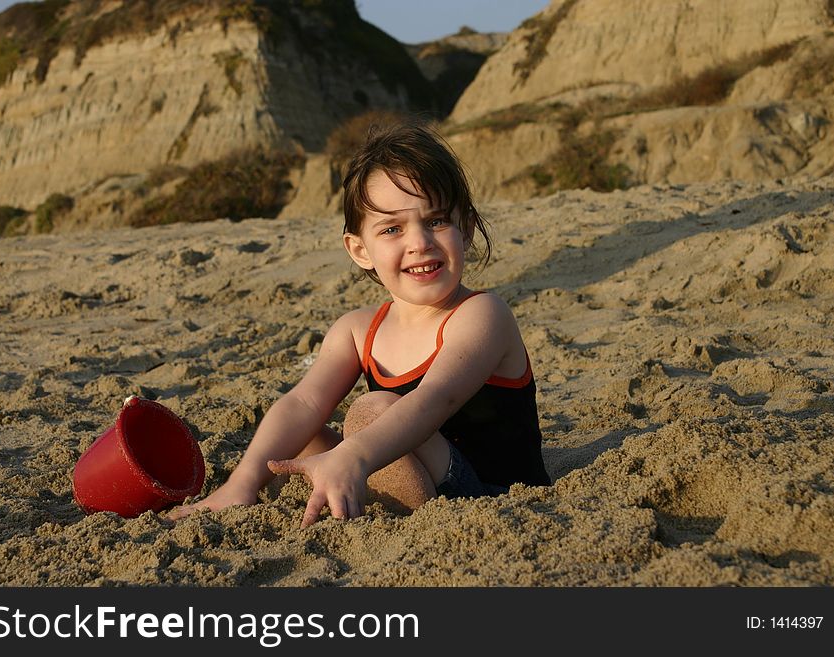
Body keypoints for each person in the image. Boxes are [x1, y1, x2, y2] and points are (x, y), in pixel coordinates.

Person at [170, 121, 551, 527]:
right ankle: (324, 492)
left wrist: (353, 454)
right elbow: (303, 403)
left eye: (437, 220)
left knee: (371, 410)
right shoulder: (357, 330)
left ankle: (396, 511)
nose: (419, 242)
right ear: (360, 249)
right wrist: (243, 484)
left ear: (467, 228)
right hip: (410, 471)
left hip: (493, 496)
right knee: (301, 438)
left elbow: (436, 398)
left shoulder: (483, 314)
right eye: (392, 229)